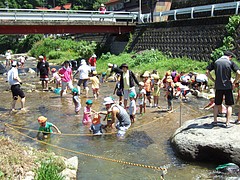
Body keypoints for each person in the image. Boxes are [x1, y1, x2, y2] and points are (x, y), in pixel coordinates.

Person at [206, 51, 240, 127]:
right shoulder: (230, 63)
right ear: (230, 56)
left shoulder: (216, 62)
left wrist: (213, 80)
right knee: (229, 105)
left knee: (217, 104)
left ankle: (215, 121)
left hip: (218, 86)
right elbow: (238, 73)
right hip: (228, 86)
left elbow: (207, 72)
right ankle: (227, 123)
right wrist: (234, 82)